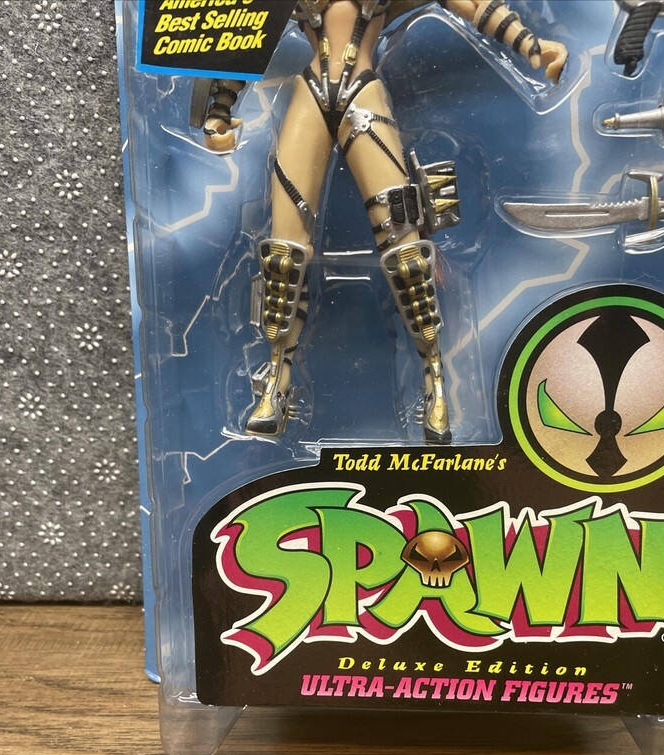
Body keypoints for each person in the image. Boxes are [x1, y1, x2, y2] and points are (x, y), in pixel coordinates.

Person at [194, 0, 567, 443]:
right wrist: (219, 108)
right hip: (311, 96)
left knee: (406, 256)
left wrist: (530, 44)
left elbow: (467, 3)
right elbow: (247, 33)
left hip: (363, 98)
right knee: (283, 257)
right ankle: (276, 382)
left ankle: (435, 382)